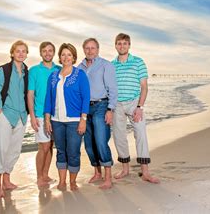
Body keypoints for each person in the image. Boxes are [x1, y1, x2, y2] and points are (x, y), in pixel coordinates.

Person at [111, 33, 159, 183]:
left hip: (134, 103)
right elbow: (110, 88)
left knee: (140, 134)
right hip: (117, 104)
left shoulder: (138, 62)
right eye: (119, 43)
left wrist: (140, 107)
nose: (122, 46)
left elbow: (144, 87)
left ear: (129, 45)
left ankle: (145, 172)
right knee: (119, 136)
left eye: (125, 43)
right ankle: (125, 169)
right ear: (115, 45)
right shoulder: (112, 65)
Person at [44, 43, 90, 191]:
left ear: (74, 57)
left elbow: (86, 97)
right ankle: (62, 181)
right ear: (60, 57)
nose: (66, 57)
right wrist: (47, 120)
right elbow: (48, 99)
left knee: (73, 151)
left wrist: (83, 120)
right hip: (56, 121)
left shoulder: (80, 75)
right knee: (61, 151)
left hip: (74, 121)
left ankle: (73, 182)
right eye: (63, 54)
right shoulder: (53, 76)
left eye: (69, 54)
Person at [0, 40, 30, 198]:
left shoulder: (27, 71)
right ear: (12, 53)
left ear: (27, 54)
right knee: (2, 149)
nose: (21, 53)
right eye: (18, 51)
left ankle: (7, 181)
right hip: (6, 115)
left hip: (21, 116)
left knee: (14, 150)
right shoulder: (3, 70)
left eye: (24, 51)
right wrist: (0, 114)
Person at [77, 38, 117, 189]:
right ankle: (97, 172)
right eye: (87, 48)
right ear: (84, 50)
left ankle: (108, 176)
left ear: (98, 49)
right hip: (85, 109)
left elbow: (113, 89)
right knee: (88, 144)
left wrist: (110, 109)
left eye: (93, 48)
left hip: (102, 105)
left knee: (100, 141)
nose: (90, 51)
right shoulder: (79, 68)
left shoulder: (106, 65)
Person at [27, 42, 61, 187]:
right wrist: (32, 116)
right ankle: (39, 177)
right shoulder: (34, 70)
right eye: (44, 51)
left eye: (50, 51)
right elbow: (30, 95)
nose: (47, 53)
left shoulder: (59, 69)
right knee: (44, 147)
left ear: (54, 53)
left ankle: (46, 175)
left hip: (57, 115)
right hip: (40, 114)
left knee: (51, 145)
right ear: (41, 53)